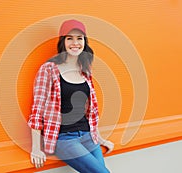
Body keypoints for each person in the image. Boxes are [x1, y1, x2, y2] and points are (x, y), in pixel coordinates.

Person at [28, 19, 114, 173]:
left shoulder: (85, 70)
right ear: (63, 41)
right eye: (70, 38)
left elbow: (90, 110)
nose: (75, 43)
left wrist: (99, 138)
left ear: (84, 42)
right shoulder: (49, 69)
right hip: (64, 139)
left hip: (88, 135)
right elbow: (37, 110)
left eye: (79, 38)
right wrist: (36, 148)